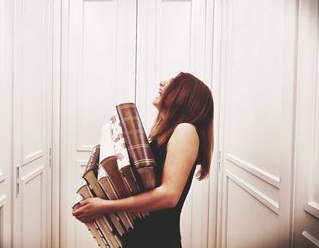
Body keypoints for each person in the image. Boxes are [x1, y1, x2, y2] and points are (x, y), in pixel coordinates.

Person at [73, 72, 214, 248]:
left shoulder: (185, 130)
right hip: (141, 237)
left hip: (157, 240)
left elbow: (169, 196)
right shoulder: (163, 133)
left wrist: (104, 206)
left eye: (172, 83)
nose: (162, 82)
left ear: (184, 96)